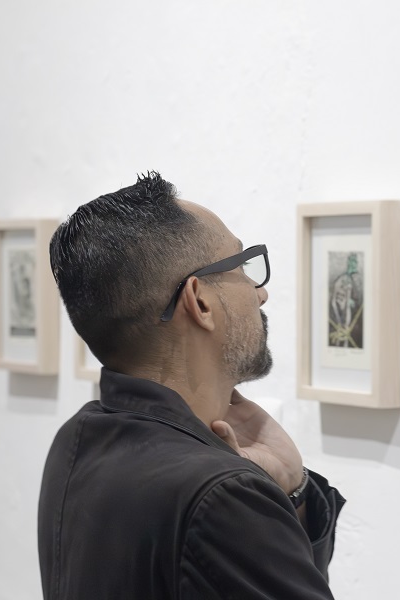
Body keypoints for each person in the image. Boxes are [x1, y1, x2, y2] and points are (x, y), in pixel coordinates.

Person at [38, 172, 345, 599]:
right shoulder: (223, 495)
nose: (259, 294)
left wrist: (293, 489)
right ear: (199, 300)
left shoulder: (75, 441)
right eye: (241, 266)